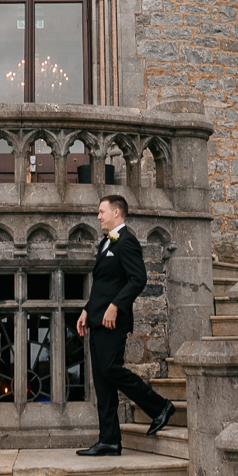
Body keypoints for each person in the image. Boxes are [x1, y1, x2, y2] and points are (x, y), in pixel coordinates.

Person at [75, 194, 173, 457]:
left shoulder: (127, 241)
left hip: (113, 322)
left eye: (101, 212)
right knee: (102, 380)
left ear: (117, 213)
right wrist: (87, 309)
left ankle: (160, 406)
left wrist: (115, 306)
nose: (98, 217)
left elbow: (138, 278)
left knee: (110, 369)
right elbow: (103, 283)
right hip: (97, 319)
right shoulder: (106, 242)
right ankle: (108, 440)